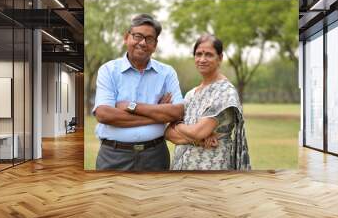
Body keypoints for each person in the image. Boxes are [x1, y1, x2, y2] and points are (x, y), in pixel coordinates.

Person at [93, 14, 184, 171]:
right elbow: (104, 115)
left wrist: (131, 106)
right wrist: (158, 115)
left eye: (149, 39)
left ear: (155, 45)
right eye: (138, 36)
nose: (142, 43)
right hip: (113, 156)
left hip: (155, 155)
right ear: (126, 37)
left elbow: (178, 112)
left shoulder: (167, 73)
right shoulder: (108, 70)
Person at [165, 34, 251, 170]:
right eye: (198, 54)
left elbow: (198, 132)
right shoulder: (190, 94)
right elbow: (168, 133)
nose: (202, 59)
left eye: (209, 55)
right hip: (181, 168)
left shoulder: (225, 92)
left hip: (212, 168)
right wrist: (198, 140)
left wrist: (179, 127)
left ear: (220, 58)